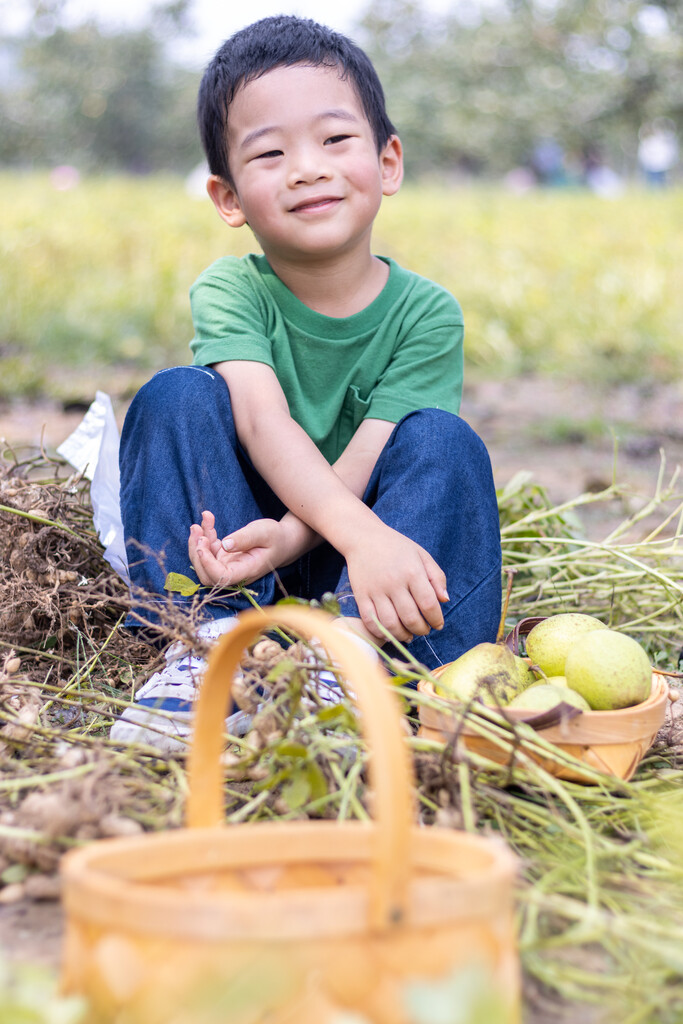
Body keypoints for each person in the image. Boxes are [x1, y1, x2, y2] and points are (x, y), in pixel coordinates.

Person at [111, 15, 502, 750]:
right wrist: (276, 546)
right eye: (270, 153)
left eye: (334, 140)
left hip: (371, 569)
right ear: (227, 198)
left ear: (387, 162)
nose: (307, 168)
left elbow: (371, 455)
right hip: (237, 547)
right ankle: (207, 649)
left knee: (442, 443)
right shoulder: (232, 292)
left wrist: (316, 539)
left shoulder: (425, 314)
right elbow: (261, 423)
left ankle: (342, 667)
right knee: (177, 396)